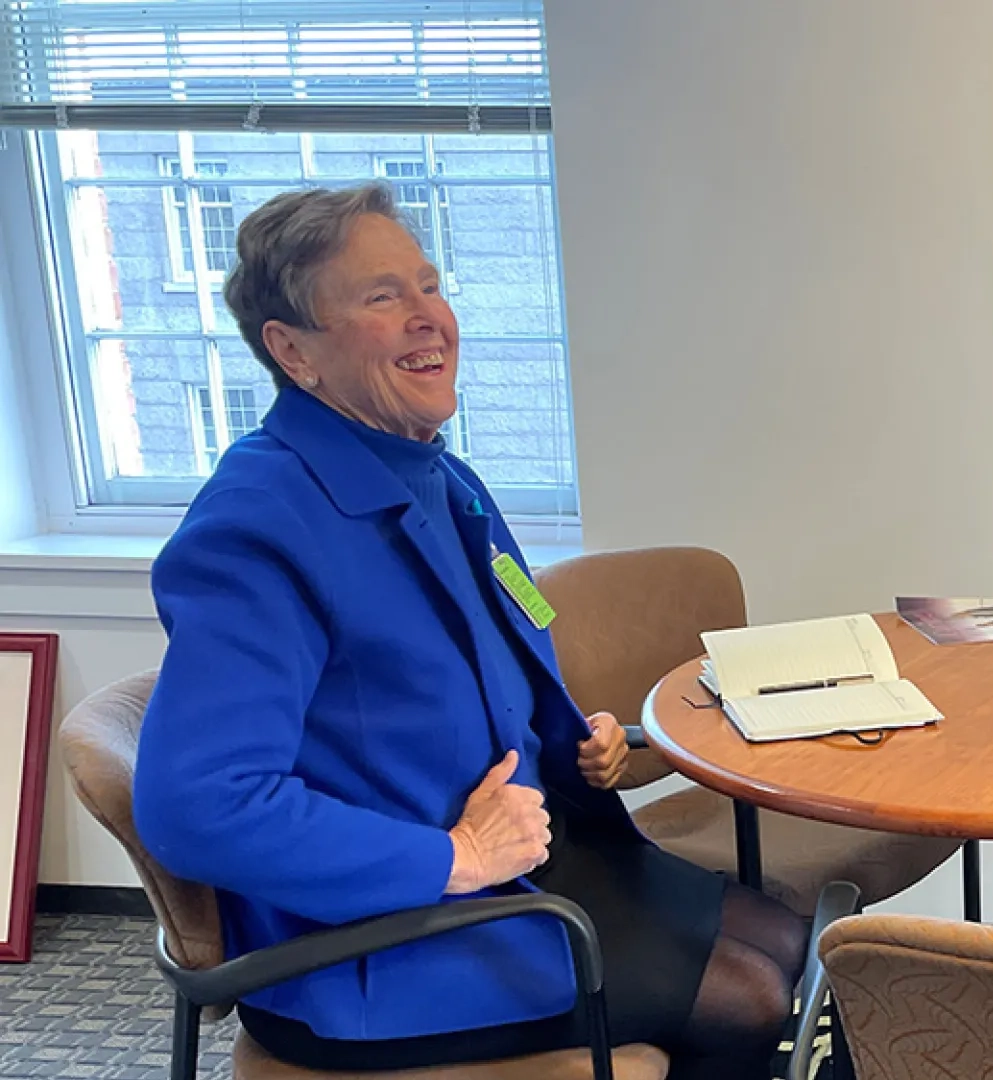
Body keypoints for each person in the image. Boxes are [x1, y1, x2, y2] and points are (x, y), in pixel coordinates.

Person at [133, 184, 804, 1079]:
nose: (428, 319)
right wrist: (451, 855)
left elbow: (491, 667)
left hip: (534, 863)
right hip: (383, 938)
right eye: (382, 298)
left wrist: (576, 743)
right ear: (293, 352)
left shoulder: (441, 480)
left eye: (429, 285)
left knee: (790, 939)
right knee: (750, 999)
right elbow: (197, 807)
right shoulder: (256, 529)